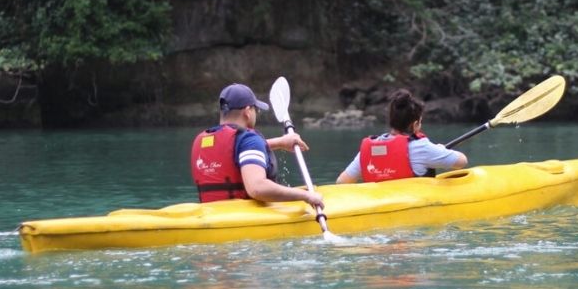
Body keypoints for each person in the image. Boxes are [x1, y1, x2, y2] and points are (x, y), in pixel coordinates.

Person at [190, 82, 324, 210]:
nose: (257, 113)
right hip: (243, 217)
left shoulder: (202, 140)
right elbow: (257, 188)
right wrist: (305, 196)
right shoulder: (250, 139)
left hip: (210, 214)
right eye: (256, 109)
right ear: (248, 111)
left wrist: (280, 142)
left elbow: (234, 152)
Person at [336, 89, 467, 183]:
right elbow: (462, 162)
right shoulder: (422, 147)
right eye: (420, 122)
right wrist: (440, 149)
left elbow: (342, 182)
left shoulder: (370, 150)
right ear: (415, 124)